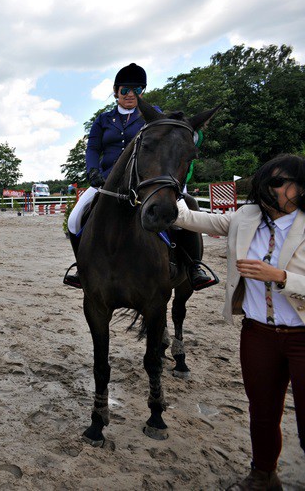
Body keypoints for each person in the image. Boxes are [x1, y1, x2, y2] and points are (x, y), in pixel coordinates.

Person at [174, 154, 305, 490]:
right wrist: (160, 191)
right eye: (265, 180)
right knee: (261, 411)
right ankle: (263, 475)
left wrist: (280, 276)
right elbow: (196, 220)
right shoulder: (246, 216)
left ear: (301, 187)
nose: (267, 188)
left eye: (278, 183)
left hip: (302, 335)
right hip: (257, 333)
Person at [64, 63, 215, 290]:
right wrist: (92, 171)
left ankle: (193, 266)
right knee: (75, 219)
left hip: (147, 180)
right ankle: (82, 266)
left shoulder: (153, 114)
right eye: (125, 90)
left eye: (137, 90)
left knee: (187, 208)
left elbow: (172, 138)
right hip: (107, 181)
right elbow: (93, 148)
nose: (131, 95)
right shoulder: (103, 120)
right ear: (116, 92)